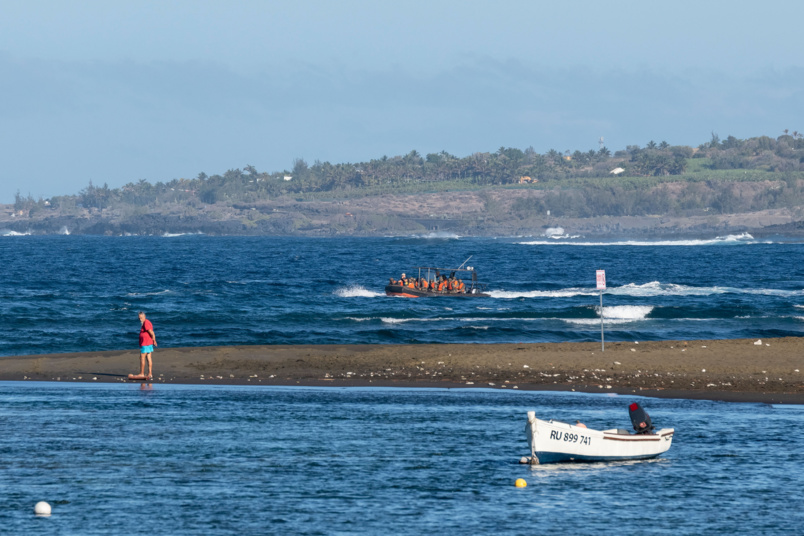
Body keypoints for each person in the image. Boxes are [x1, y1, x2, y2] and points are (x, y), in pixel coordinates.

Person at [138, 311, 157, 380]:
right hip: (148, 343)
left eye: (141, 318)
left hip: (146, 343)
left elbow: (151, 332)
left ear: (144, 316)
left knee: (142, 357)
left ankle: (142, 373)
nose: (140, 320)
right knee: (149, 358)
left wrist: (154, 340)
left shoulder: (146, 323)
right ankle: (150, 373)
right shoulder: (146, 322)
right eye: (139, 318)